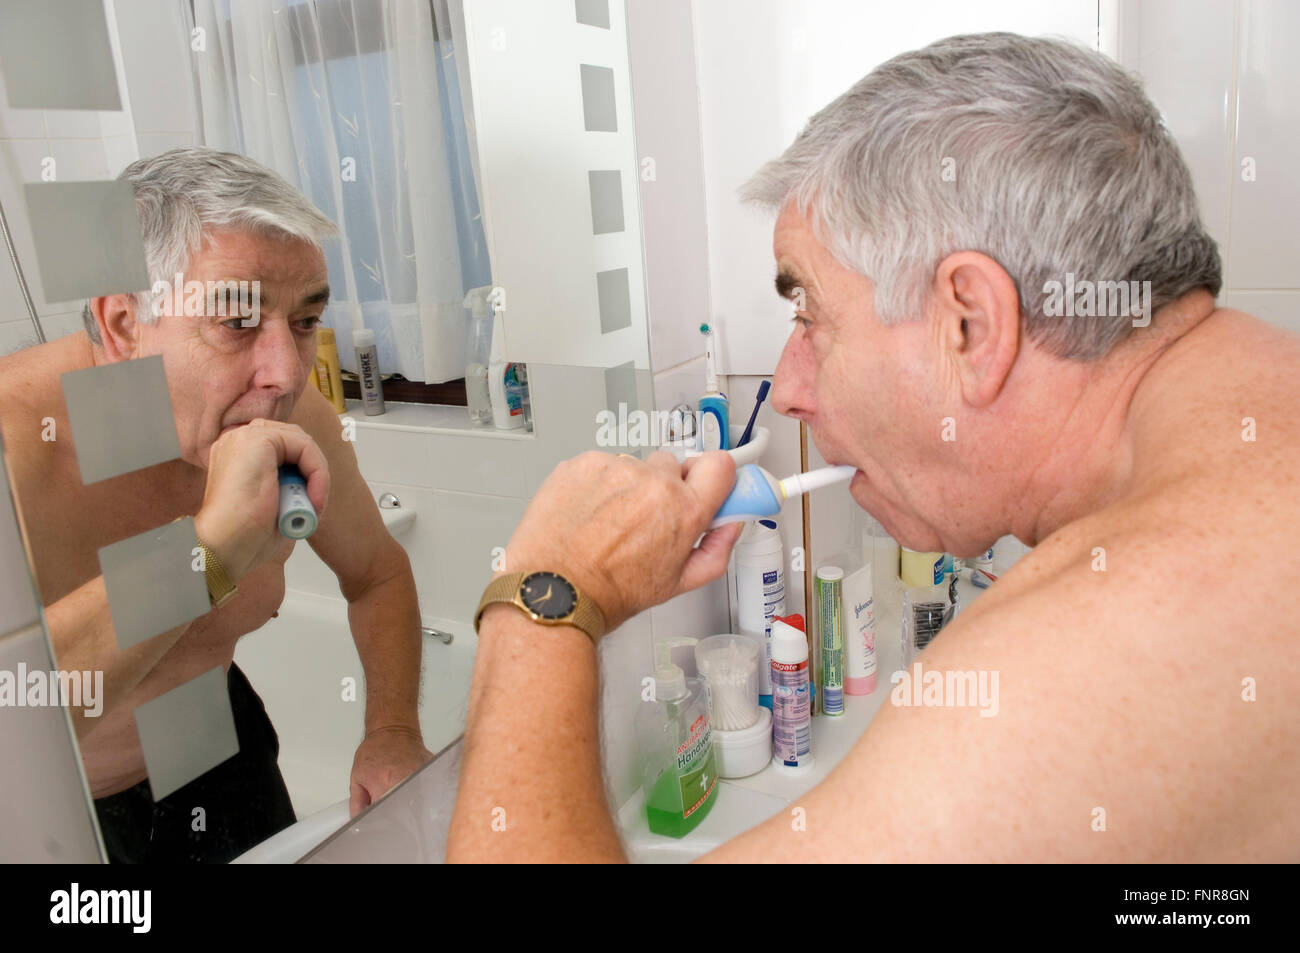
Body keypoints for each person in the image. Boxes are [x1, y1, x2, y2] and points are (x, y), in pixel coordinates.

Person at [445, 33, 1300, 862]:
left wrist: (547, 596)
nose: (785, 387)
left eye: (809, 313)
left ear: (971, 324)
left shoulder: (1081, 655)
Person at [0, 148, 431, 862]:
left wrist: (389, 729)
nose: (287, 373)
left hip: (220, 750)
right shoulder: (19, 450)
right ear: (122, 325)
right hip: (71, 809)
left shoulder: (292, 412)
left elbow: (377, 573)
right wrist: (206, 554)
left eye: (304, 319)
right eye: (236, 322)